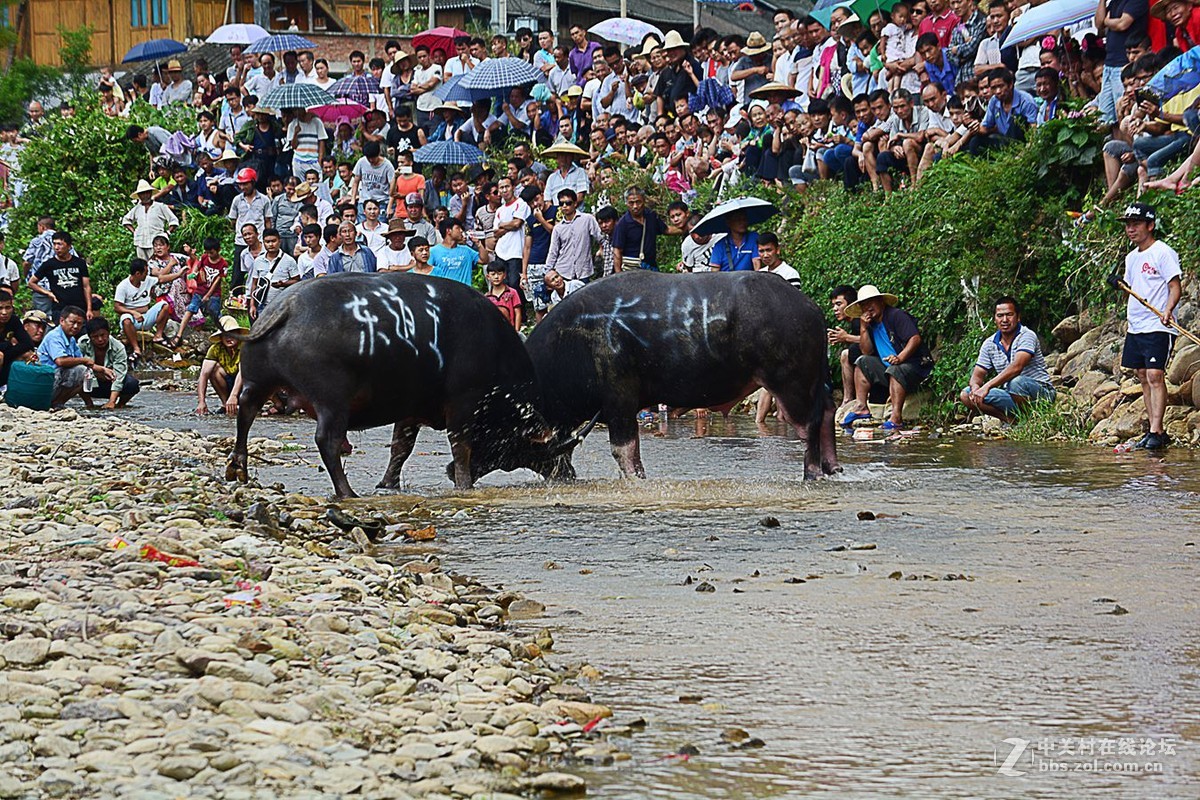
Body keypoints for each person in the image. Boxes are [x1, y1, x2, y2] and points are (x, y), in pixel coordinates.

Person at [1108, 202, 1181, 449]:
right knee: (1141, 375)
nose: (1130, 229)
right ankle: (1154, 429)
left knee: (1154, 374)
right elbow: (1131, 288)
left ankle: (1156, 431)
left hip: (1158, 323)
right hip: (1136, 325)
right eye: (1128, 225)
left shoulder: (1163, 252)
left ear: (1150, 225)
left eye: (1136, 224)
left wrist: (1168, 311)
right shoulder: (1131, 257)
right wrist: (1118, 283)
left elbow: (1175, 286)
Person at [842, 284, 934, 432]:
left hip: (913, 366)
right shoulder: (870, 324)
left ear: (880, 301)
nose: (868, 307)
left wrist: (900, 357)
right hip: (888, 367)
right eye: (864, 305)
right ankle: (861, 407)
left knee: (895, 369)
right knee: (862, 362)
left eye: (871, 302)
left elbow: (915, 339)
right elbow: (866, 351)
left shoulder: (896, 315)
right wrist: (863, 328)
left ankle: (896, 418)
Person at [960, 296, 1055, 422]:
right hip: (1012, 395)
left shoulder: (1027, 336)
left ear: (1018, 317)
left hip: (1041, 394)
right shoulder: (989, 343)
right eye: (1000, 316)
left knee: (1016, 382)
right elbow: (977, 375)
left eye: (1009, 315)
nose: (1004, 320)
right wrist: (976, 389)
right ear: (995, 318)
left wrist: (987, 386)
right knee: (966, 395)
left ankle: (1032, 419)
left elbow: (1017, 367)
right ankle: (1010, 420)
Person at [113, 258, 169, 363]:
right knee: (126, 319)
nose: (147, 275)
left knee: (164, 305)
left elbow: (161, 279)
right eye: (145, 273)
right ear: (138, 273)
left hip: (146, 316)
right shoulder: (123, 286)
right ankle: (136, 349)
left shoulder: (147, 280)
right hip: (131, 319)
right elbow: (117, 307)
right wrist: (133, 312)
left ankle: (158, 335)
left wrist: (179, 274)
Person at [36, 305, 92, 408]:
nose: (75, 327)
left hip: (55, 378)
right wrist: (85, 360)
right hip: (44, 379)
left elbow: (85, 362)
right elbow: (60, 361)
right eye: (72, 322)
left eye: (79, 324)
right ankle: (53, 403)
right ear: (62, 321)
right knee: (81, 370)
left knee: (86, 371)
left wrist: (103, 370)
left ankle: (57, 403)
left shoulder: (71, 339)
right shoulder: (54, 336)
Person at [78, 317, 138, 410]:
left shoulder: (118, 347)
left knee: (132, 384)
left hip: (111, 383)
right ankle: (89, 404)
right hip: (90, 383)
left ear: (109, 333)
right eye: (95, 337)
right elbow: (77, 363)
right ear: (89, 337)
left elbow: (119, 375)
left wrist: (111, 402)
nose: (100, 339)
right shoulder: (82, 343)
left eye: (103, 335)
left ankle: (119, 404)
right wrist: (97, 371)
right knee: (76, 374)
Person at [30, 231, 91, 321]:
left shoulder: (79, 263)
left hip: (79, 307)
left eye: (60, 244)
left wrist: (89, 309)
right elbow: (31, 283)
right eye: (54, 244)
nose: (56, 248)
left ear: (69, 246)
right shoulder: (49, 264)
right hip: (59, 308)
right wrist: (48, 293)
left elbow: (86, 286)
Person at [196, 315, 248, 416]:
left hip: (246, 383)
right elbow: (203, 375)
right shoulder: (215, 349)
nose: (229, 338)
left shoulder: (245, 346)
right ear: (221, 337)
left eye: (232, 334)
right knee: (215, 369)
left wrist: (234, 395)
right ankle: (226, 405)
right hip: (228, 380)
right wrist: (201, 402)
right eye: (225, 335)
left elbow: (243, 372)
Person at [248, 228, 301, 320]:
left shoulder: (289, 260)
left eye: (273, 241)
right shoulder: (258, 261)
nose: (271, 244)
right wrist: (252, 305)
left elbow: (297, 281)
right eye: (267, 242)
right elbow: (254, 284)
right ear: (263, 243)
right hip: (262, 305)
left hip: (282, 305)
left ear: (279, 241)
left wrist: (284, 284)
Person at [123, 179, 180, 261]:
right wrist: (134, 231)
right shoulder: (137, 208)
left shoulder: (160, 206)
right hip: (140, 242)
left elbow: (174, 221)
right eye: (142, 194)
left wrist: (167, 233)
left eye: (147, 193)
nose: (145, 195)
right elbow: (126, 220)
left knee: (157, 266)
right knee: (143, 267)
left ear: (150, 193)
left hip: (156, 244)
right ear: (139, 195)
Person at [612, 187, 668, 271]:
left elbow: (666, 230)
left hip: (651, 267)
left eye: (638, 202)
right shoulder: (622, 224)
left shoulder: (651, 216)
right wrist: (619, 276)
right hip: (631, 269)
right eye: (631, 203)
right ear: (626, 203)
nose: (635, 206)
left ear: (644, 201)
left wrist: (686, 228)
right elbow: (617, 252)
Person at [827, 286, 862, 409]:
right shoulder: (854, 322)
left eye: (838, 304)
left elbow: (871, 341)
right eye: (833, 305)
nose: (835, 309)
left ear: (850, 305)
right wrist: (841, 338)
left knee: (845, 355)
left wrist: (846, 337)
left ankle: (848, 399)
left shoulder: (859, 320)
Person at [430, 219, 487, 285]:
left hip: (465, 293)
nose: (461, 231)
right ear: (448, 231)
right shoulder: (433, 251)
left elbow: (484, 260)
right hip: (443, 293)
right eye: (458, 228)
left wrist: (478, 243)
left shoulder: (467, 250)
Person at [0, 289, 34, 390]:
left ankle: (17, 390)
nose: (4, 312)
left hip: (6, 356)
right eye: (0, 308)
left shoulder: (13, 320)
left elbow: (28, 343)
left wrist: (6, 351)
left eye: (7, 308)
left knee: (29, 355)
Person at [484, 261, 523, 330]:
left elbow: (518, 313)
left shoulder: (512, 292)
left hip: (510, 330)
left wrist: (516, 331)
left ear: (504, 275)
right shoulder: (487, 297)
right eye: (493, 274)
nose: (496, 277)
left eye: (499, 274)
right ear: (488, 277)